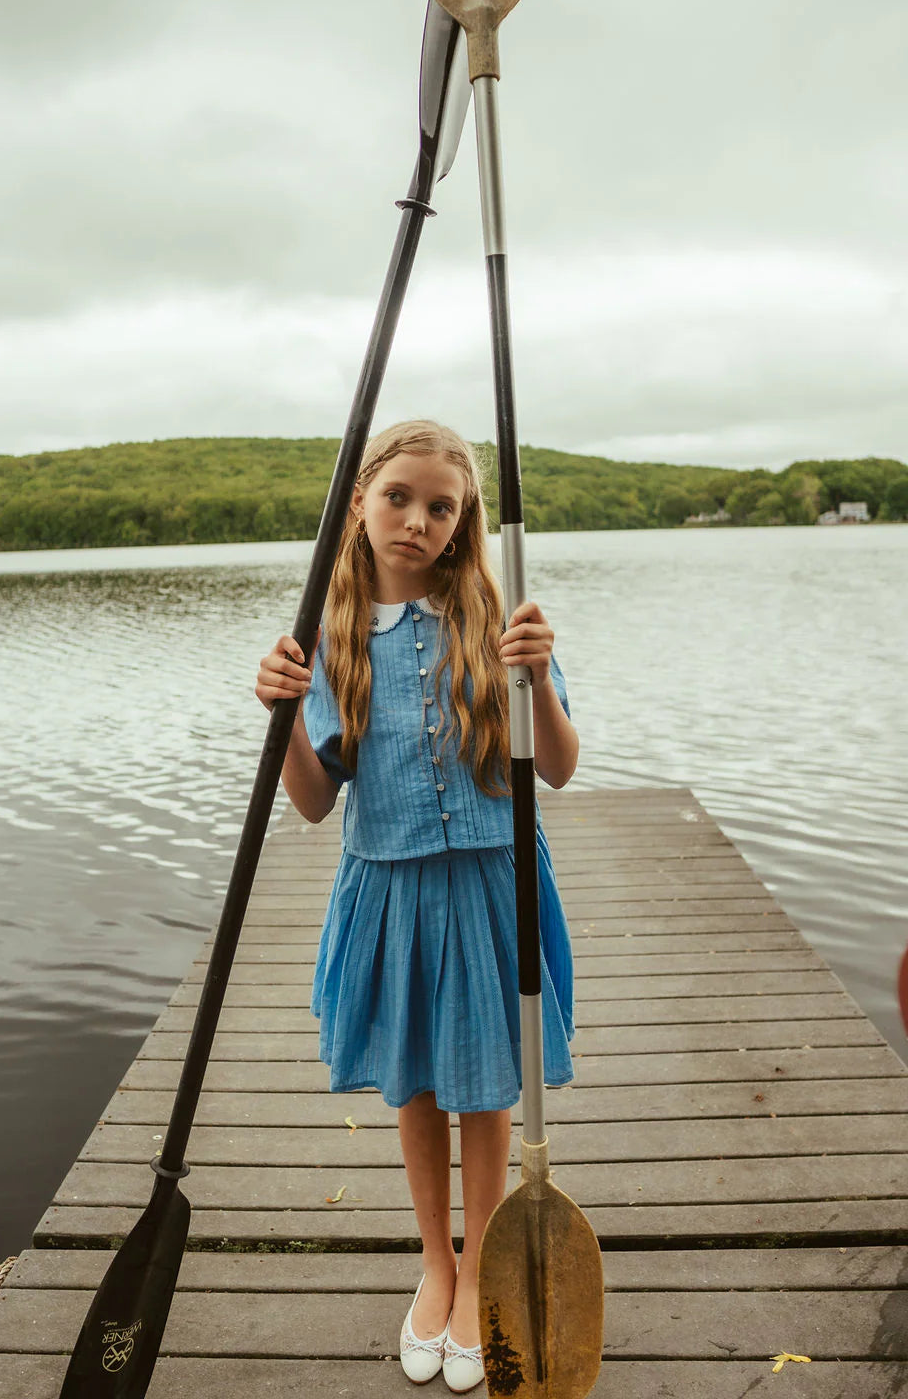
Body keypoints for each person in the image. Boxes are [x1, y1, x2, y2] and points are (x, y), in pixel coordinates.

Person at [255, 419, 577, 1393]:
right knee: (419, 1089)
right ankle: (434, 1264)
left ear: (462, 521)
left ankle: (481, 1262)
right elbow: (313, 802)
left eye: (441, 506)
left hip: (490, 884)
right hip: (389, 890)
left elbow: (556, 769)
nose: (417, 519)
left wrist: (536, 682)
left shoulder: (499, 623)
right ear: (359, 503)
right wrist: (281, 720)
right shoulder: (330, 639)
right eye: (397, 497)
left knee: (484, 1089)